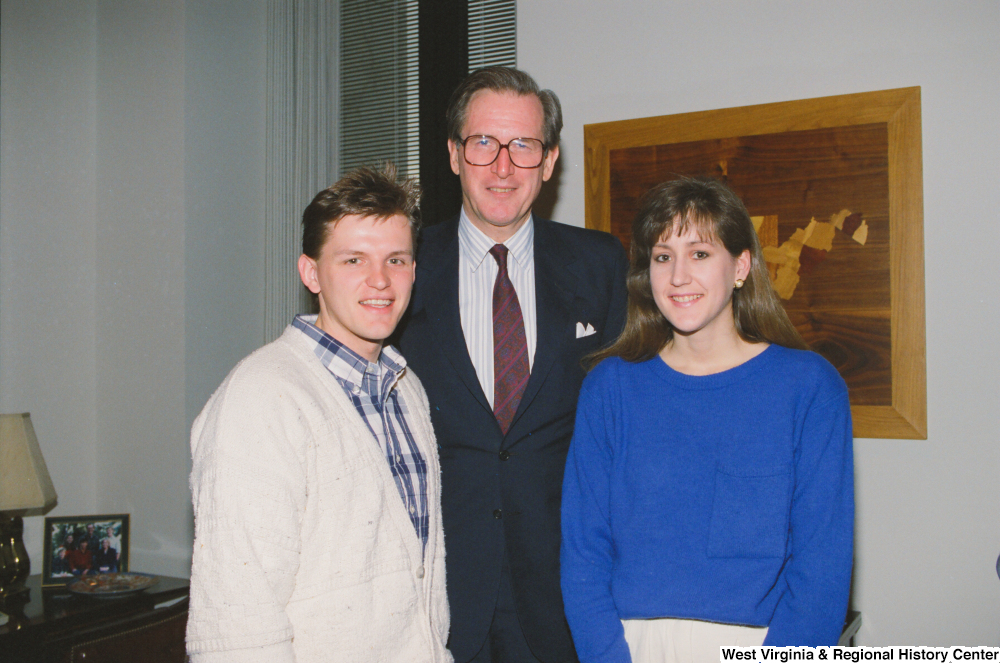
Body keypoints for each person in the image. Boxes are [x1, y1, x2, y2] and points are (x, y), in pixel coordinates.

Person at [560, 177, 855, 662]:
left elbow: (821, 571)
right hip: (628, 648)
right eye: (662, 256)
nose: (678, 276)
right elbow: (583, 556)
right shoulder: (609, 389)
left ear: (741, 266)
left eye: (699, 254)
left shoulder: (809, 388)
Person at [397, 66, 628, 663]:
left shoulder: (599, 264)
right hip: (436, 599)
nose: (503, 166)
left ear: (549, 161)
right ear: (453, 154)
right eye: (484, 143)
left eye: (523, 145)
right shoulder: (402, 266)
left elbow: (630, 428)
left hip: (565, 594)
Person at [187, 164, 451, 663]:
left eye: (396, 259)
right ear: (311, 273)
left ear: (414, 270)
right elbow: (236, 621)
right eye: (353, 259)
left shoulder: (406, 388)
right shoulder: (262, 398)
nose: (380, 280)